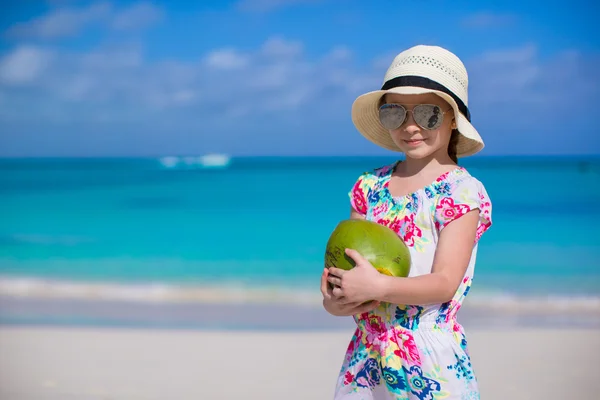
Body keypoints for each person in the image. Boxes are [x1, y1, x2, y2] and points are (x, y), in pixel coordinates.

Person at [320, 45, 493, 399]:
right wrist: (338, 300)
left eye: (428, 113)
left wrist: (378, 288)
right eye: (395, 113)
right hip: (366, 360)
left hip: (428, 361)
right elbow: (350, 267)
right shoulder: (369, 186)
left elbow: (444, 283)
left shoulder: (461, 191)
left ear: (452, 119)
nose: (411, 126)